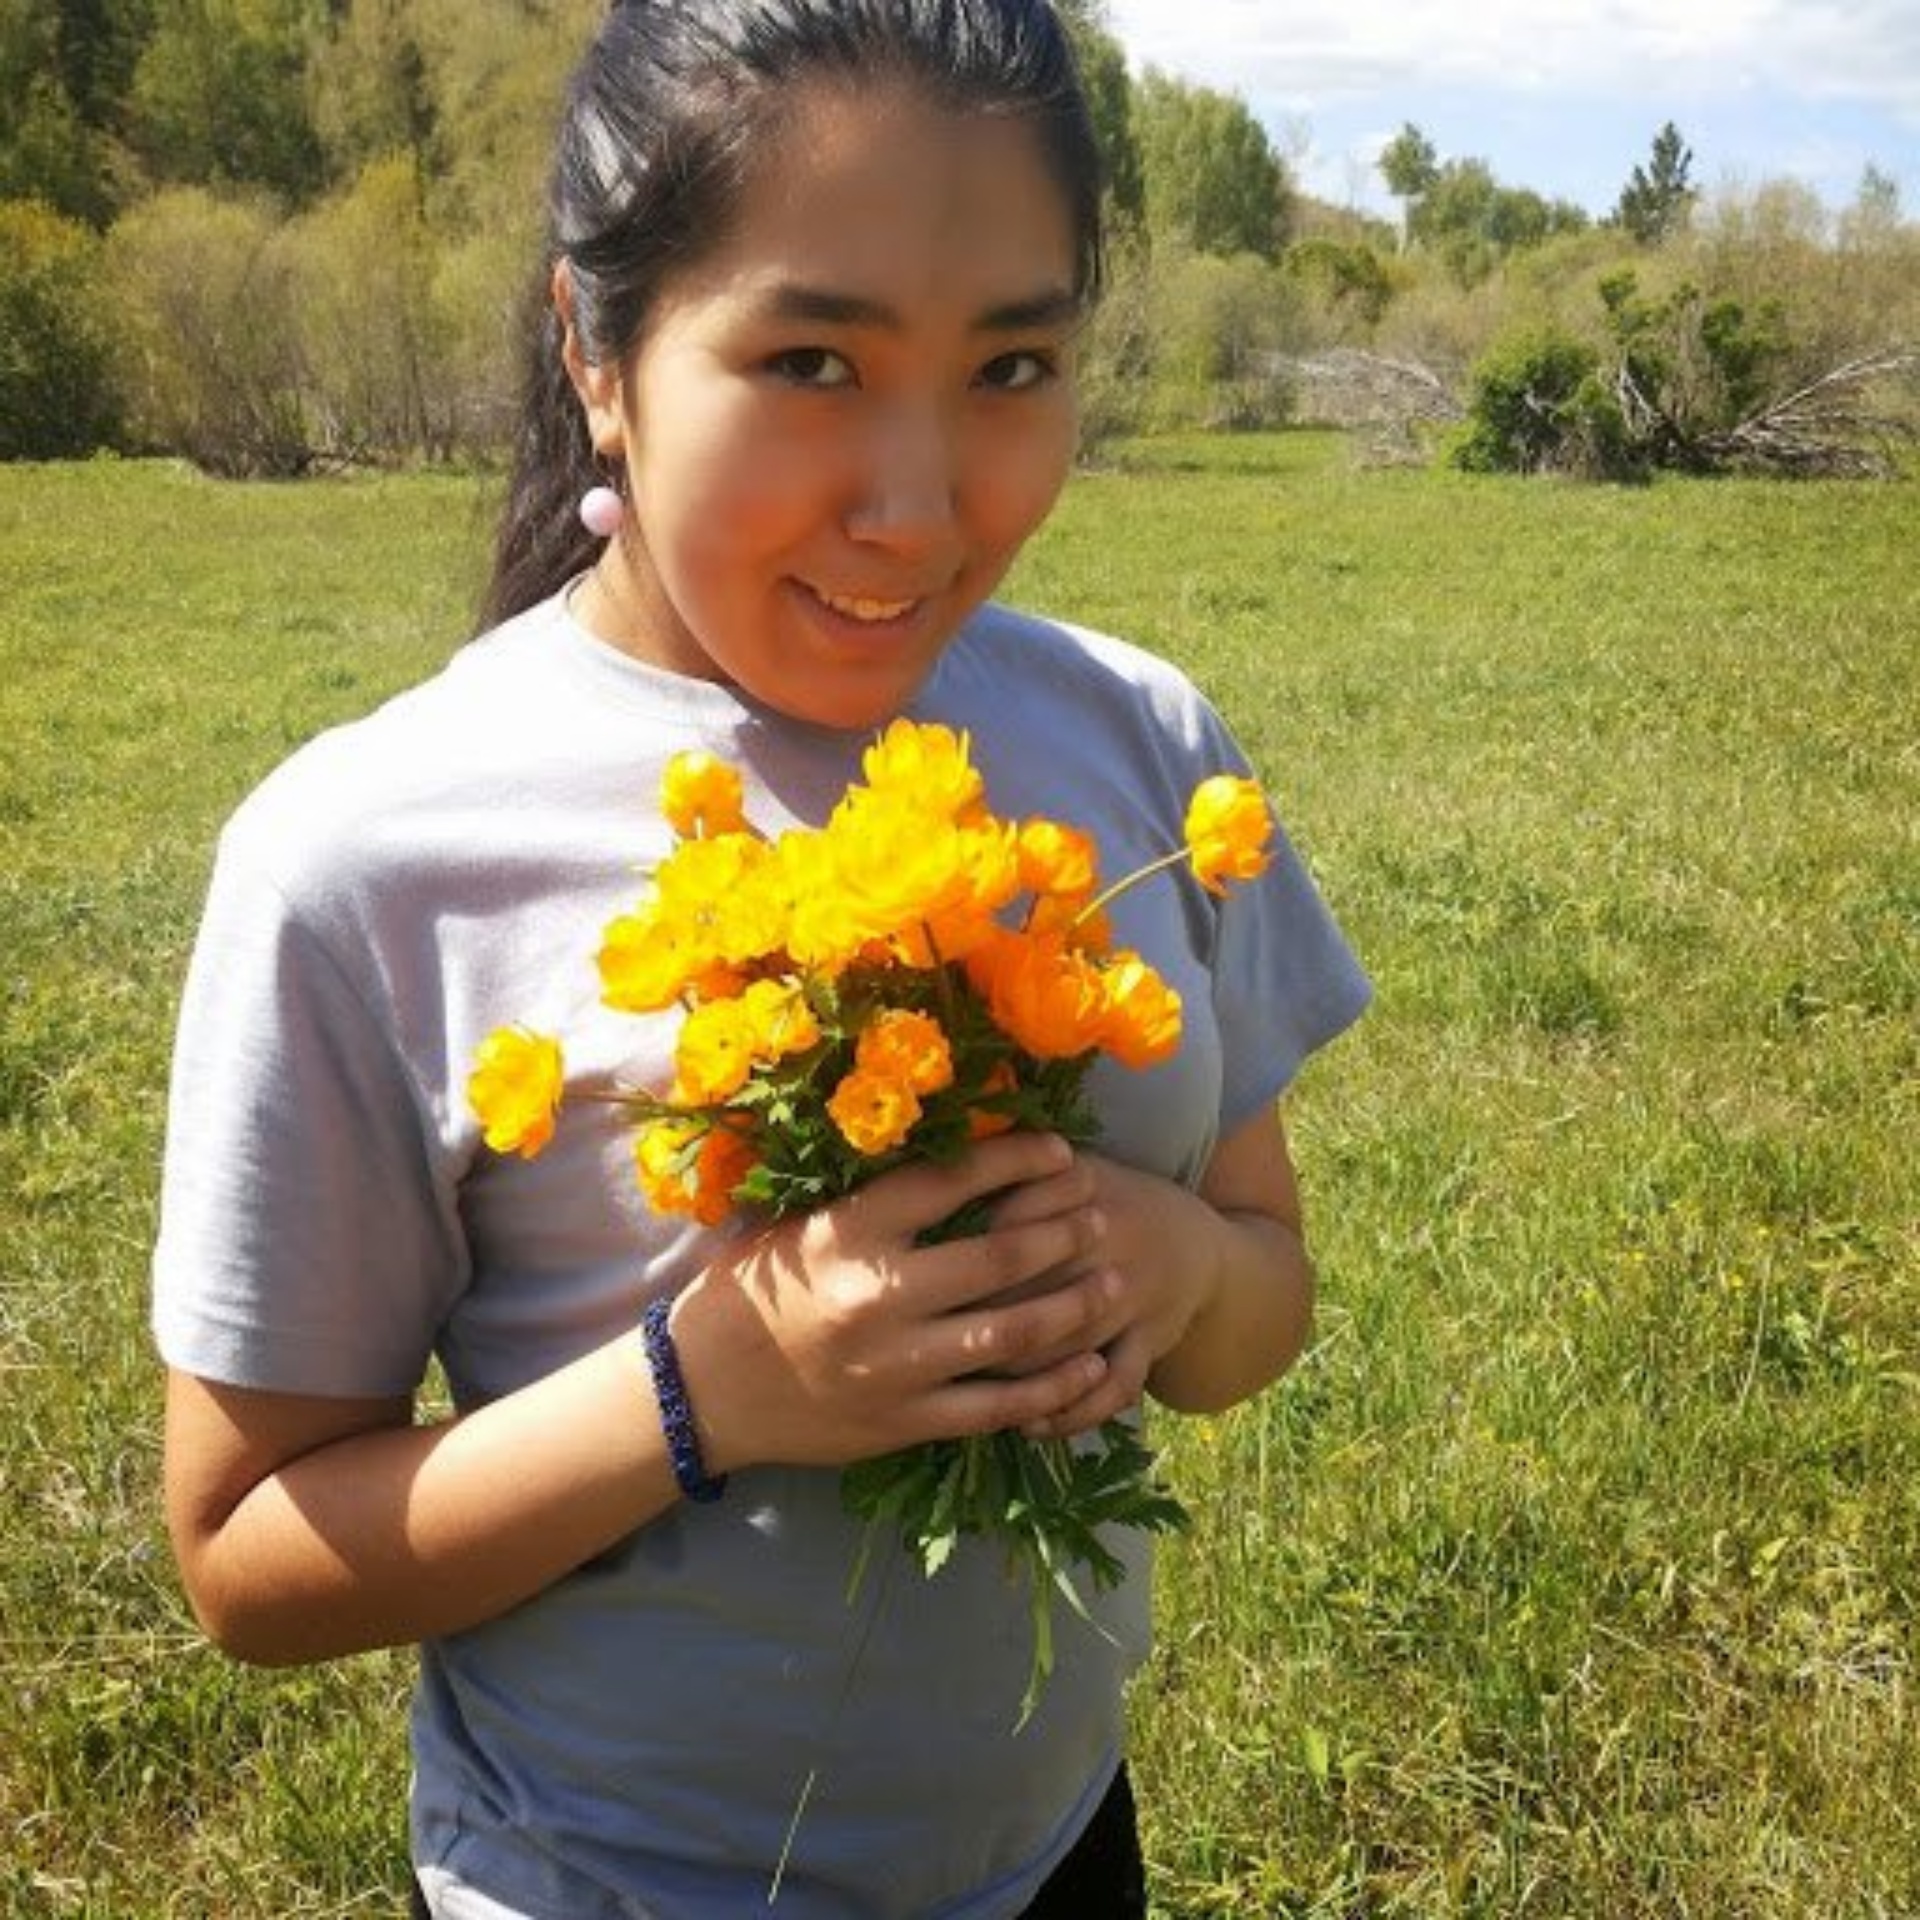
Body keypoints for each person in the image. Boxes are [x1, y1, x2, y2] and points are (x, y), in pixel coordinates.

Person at [152, 3, 1370, 1914]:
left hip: (1052, 1856)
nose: (920, 500)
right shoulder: (367, 857)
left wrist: (1180, 1266)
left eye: (1013, 363)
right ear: (596, 349)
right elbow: (247, 1559)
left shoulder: (1139, 749)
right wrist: (700, 1391)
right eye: (812, 358)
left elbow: (1262, 1303)